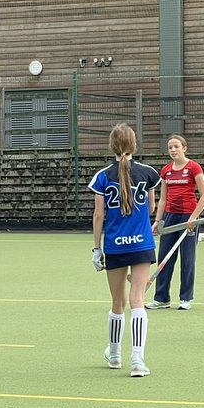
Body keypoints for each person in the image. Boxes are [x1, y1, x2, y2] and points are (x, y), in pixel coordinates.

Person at [90, 123, 161, 377]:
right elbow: (151, 208)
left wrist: (96, 248)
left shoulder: (102, 176)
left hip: (115, 245)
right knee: (137, 300)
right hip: (141, 244)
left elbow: (99, 215)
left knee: (118, 302)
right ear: (134, 145)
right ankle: (137, 361)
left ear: (112, 146)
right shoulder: (148, 173)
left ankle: (115, 354)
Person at [147, 134, 204, 310]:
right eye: (170, 147)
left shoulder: (193, 167)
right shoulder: (166, 170)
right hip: (170, 217)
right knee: (165, 256)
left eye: (176, 146)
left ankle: (186, 298)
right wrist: (157, 220)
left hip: (188, 217)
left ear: (184, 148)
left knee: (187, 258)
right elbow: (163, 199)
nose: (173, 150)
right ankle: (161, 299)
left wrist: (193, 218)